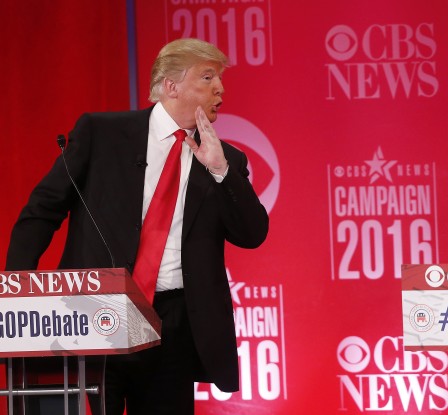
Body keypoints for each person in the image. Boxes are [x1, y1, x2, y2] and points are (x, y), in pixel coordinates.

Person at [5, 38, 269, 414]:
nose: (220, 89)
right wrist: (16, 293)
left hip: (174, 325)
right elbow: (42, 210)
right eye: (207, 77)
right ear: (170, 85)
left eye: (220, 79)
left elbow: (252, 234)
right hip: (93, 316)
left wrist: (221, 170)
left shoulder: (227, 160)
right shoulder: (101, 133)